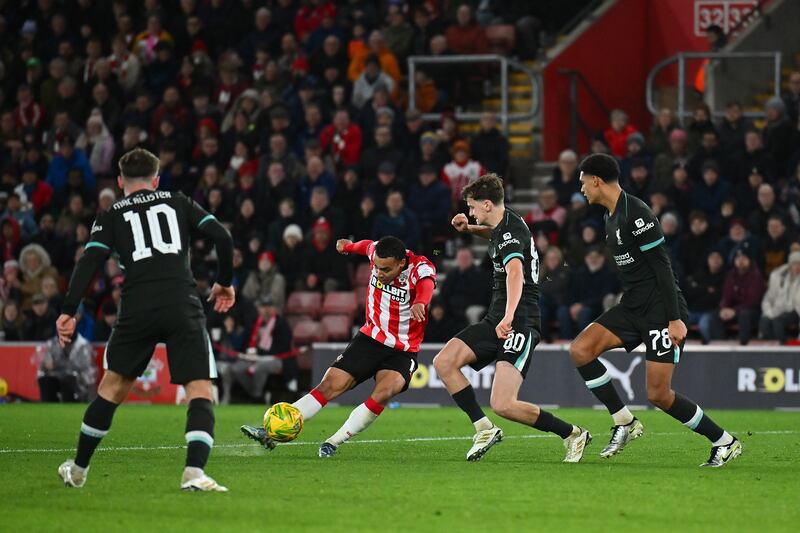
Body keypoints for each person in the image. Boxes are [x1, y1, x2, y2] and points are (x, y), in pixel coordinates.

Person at [55, 148, 235, 492]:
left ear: (120, 181)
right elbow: (222, 237)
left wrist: (68, 309)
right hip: (182, 302)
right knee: (199, 390)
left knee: (112, 389)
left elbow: (89, 262)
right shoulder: (178, 200)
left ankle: (77, 470)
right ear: (155, 180)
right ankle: (194, 473)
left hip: (137, 306)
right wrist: (223, 283)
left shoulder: (109, 215)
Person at [571, 153, 742, 467]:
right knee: (581, 350)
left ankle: (725, 441)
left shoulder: (635, 212)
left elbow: (663, 267)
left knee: (659, 394)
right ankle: (624, 422)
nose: (581, 189)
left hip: (661, 310)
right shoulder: (608, 217)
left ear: (596, 180)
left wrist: (674, 318)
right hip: (633, 305)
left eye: (583, 182)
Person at [433, 174, 591, 462]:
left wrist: (508, 317)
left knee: (503, 404)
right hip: (497, 318)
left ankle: (573, 433)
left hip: (519, 320)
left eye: (472, 208)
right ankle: (484, 429)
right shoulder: (505, 224)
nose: (471, 212)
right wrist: (469, 228)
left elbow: (515, 273)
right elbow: (494, 236)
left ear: (488, 204)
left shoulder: (509, 233)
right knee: (444, 361)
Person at [241, 236, 436, 457]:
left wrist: (420, 301)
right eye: (377, 268)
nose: (380, 273)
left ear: (401, 263)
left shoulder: (421, 267)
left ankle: (334, 441)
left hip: (402, 349)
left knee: (385, 391)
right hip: (369, 339)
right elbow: (366, 246)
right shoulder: (376, 254)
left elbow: (426, 285)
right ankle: (272, 433)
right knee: (329, 385)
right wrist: (349, 247)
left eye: (386, 269)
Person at [37, 329, 96, 402]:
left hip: (78, 379)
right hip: (57, 376)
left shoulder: (83, 345)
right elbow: (44, 364)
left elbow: (82, 367)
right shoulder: (53, 343)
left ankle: (70, 402)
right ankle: (48, 405)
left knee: (69, 378)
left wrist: (56, 365)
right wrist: (45, 363)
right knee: (44, 380)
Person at [759, 251, 800, 344]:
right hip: (779, 309)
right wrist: (770, 313)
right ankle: (770, 347)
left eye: (799, 264)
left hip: (795, 311)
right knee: (764, 321)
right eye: (795, 264)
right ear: (790, 265)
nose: (797, 267)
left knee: (778, 321)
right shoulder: (778, 277)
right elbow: (768, 298)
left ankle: (782, 347)